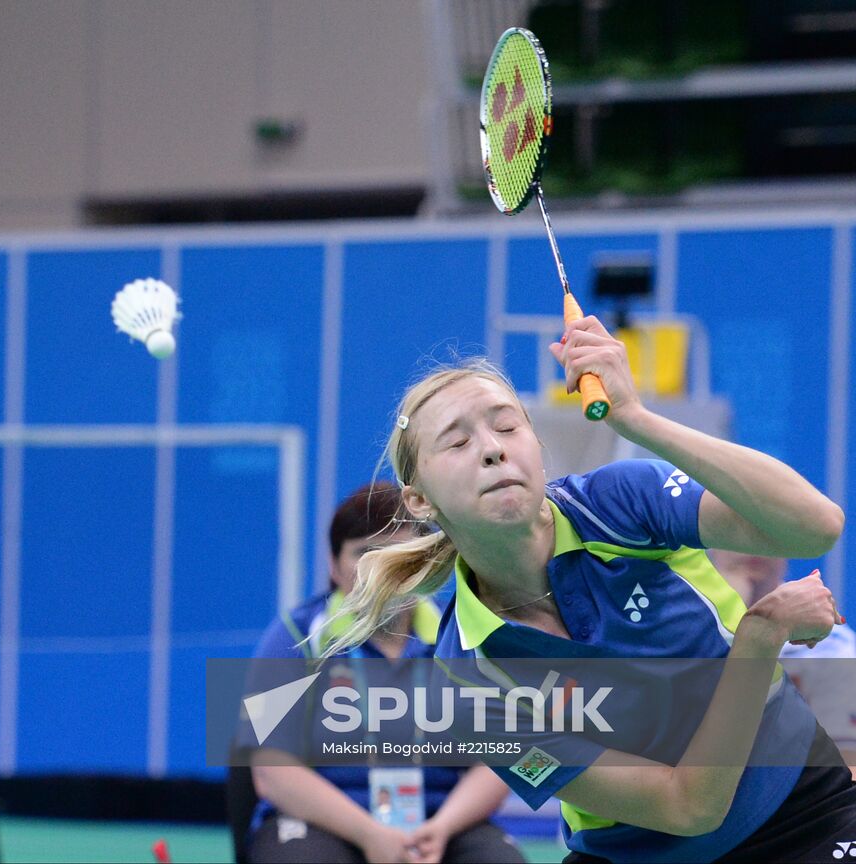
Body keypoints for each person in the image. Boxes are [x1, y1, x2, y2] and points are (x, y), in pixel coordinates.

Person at [330, 314, 850, 862]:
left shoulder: (617, 504)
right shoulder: (466, 682)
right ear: (420, 502)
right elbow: (687, 808)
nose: (491, 449)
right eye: (457, 442)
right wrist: (759, 638)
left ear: (535, 443)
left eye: (507, 427)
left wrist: (638, 419)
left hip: (804, 816)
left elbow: (816, 526)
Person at [246, 483, 524, 864]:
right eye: (365, 553)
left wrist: (440, 829)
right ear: (333, 564)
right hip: (321, 825)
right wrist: (370, 835)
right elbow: (272, 772)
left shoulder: (463, 634)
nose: (385, 568)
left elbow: (496, 761)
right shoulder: (294, 638)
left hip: (440, 823)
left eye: (401, 552)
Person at [711, 549, 856, 778]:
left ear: (789, 540)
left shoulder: (832, 646)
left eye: (766, 525)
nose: (752, 542)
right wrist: (726, 626)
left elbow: (848, 773)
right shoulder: (683, 629)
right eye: (738, 525)